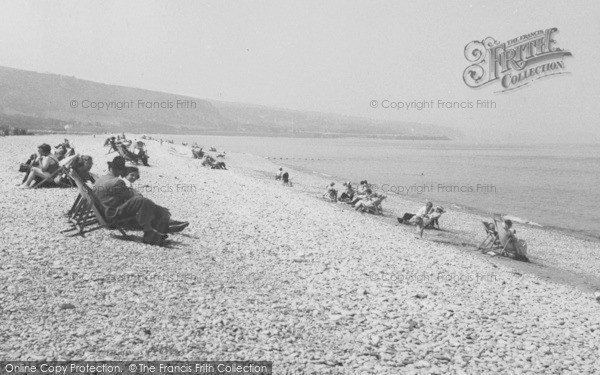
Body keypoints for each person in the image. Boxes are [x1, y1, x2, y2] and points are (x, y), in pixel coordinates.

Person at [93, 156, 189, 246]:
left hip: (104, 211)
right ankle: (154, 231)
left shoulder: (101, 179)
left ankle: (161, 227)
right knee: (142, 201)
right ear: (122, 170)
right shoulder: (117, 182)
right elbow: (130, 196)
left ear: (110, 167)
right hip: (112, 214)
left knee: (143, 203)